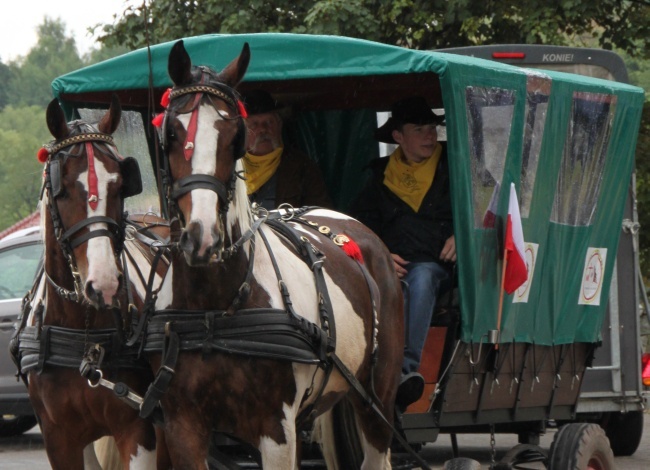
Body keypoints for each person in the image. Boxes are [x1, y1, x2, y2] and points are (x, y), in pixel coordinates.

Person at [350, 96, 455, 410]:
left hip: (440, 269)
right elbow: (357, 228)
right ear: (398, 137)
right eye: (419, 129)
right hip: (390, 265)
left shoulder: (454, 166)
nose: (429, 135)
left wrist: (462, 237)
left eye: (432, 128)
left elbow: (487, 211)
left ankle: (404, 371)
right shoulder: (379, 176)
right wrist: (379, 255)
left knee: (420, 278)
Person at [241, 90, 332, 210]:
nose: (263, 129)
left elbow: (321, 214)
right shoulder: (231, 166)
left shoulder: (302, 167)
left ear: (279, 126)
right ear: (243, 131)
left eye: (269, 122)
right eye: (254, 124)